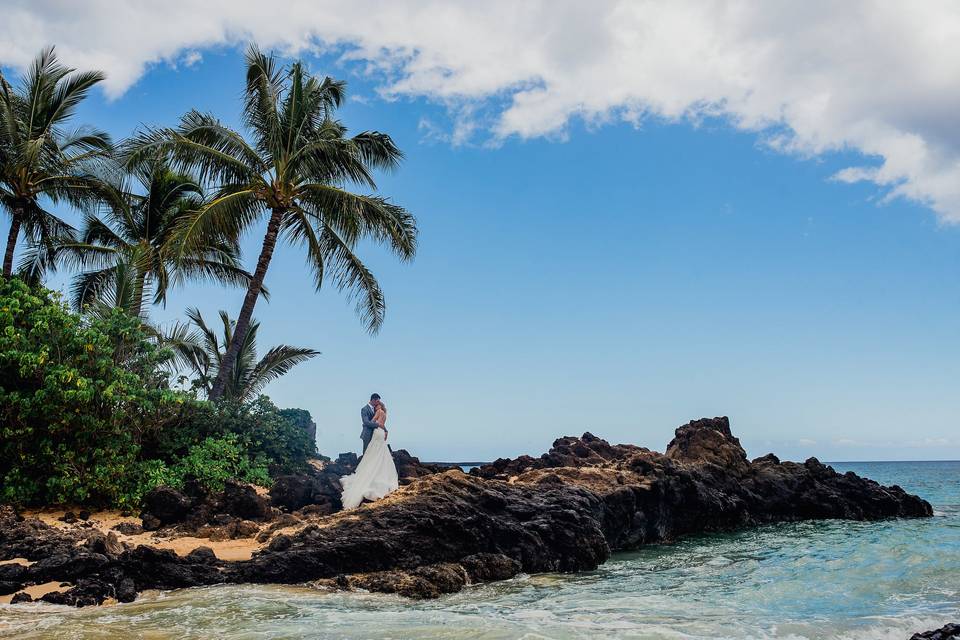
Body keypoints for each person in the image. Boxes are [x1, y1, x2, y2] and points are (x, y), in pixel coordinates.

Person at [341, 396, 398, 509]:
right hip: (372, 434)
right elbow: (368, 422)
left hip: (376, 433)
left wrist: (380, 427)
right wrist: (383, 427)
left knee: (370, 455)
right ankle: (374, 473)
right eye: (377, 401)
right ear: (373, 400)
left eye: (378, 403)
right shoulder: (365, 409)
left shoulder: (378, 411)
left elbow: (368, 423)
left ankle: (369, 475)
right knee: (374, 454)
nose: (377, 404)